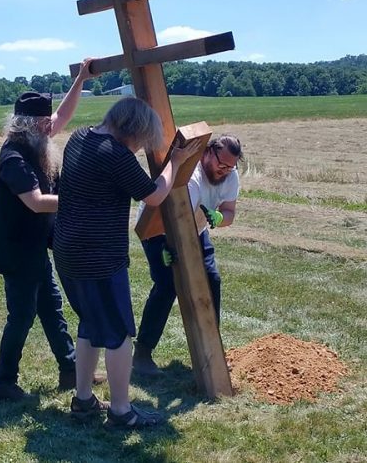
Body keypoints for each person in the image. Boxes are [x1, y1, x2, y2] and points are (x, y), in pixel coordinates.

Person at [53, 97, 202, 428]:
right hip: (98, 257)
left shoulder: (79, 137)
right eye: (140, 139)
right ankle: (121, 411)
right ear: (132, 130)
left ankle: (83, 401)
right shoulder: (115, 154)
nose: (139, 147)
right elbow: (153, 194)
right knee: (119, 334)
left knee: (90, 325)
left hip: (67, 251)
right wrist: (175, 161)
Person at [0, 59, 97, 401]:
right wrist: (79, 201)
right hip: (16, 250)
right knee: (22, 315)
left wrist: (80, 78)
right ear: (29, 124)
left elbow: (63, 115)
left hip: (34, 247)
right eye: (45, 122)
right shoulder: (14, 157)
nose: (52, 127)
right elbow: (35, 202)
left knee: (51, 307)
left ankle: (69, 370)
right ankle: (3, 383)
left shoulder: (35, 141)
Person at [133, 134, 243, 376]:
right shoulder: (191, 179)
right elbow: (174, 220)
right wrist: (164, 247)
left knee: (211, 280)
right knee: (167, 285)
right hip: (159, 229)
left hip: (196, 228)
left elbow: (229, 212)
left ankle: (212, 349)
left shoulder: (230, 177)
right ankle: (142, 353)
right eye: (220, 164)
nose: (224, 170)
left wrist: (219, 219)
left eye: (229, 166)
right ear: (207, 153)